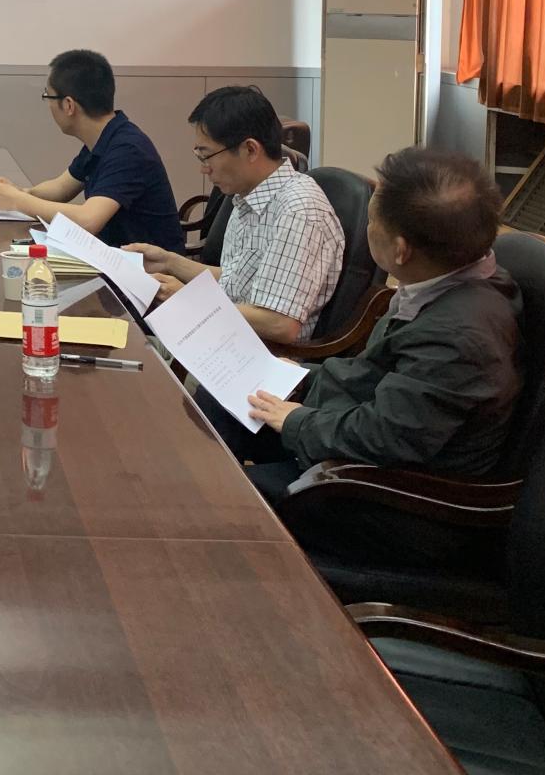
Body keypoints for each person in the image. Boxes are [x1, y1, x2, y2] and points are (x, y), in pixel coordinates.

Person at [194, 146, 523, 565]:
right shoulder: (448, 277)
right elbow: (380, 376)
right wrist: (306, 376)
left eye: (371, 222)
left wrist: (295, 420)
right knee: (222, 403)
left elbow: (383, 438)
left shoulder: (459, 337)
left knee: (230, 495)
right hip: (363, 441)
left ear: (400, 250)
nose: (366, 230)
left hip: (398, 499)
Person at [128, 86, 341, 344]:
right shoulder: (248, 197)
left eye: (207, 156)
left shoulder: (299, 210)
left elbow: (280, 324)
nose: (204, 169)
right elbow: (234, 282)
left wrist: (189, 299)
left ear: (250, 150)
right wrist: (168, 262)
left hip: (257, 354)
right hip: (224, 336)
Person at [0, 49, 180, 249]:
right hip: (114, 256)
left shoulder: (128, 149)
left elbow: (88, 220)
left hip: (144, 266)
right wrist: (19, 192)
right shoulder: (105, 137)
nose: (48, 105)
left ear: (69, 105)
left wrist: (17, 200)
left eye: (48, 96)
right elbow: (61, 188)